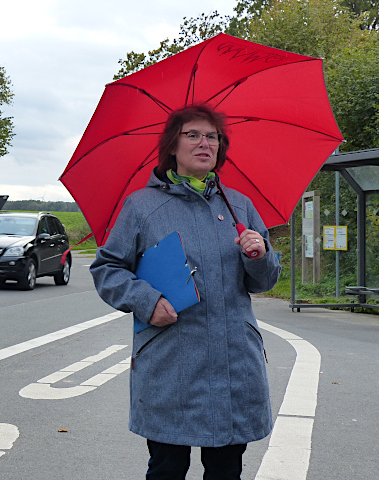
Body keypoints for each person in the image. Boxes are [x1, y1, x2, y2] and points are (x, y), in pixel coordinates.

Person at [90, 104, 281, 479]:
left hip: (232, 363)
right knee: (167, 467)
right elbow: (107, 269)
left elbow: (264, 282)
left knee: (226, 468)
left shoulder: (239, 204)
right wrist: (148, 300)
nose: (204, 143)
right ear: (172, 147)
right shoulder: (142, 206)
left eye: (212, 136)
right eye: (192, 134)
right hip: (169, 362)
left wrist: (259, 256)